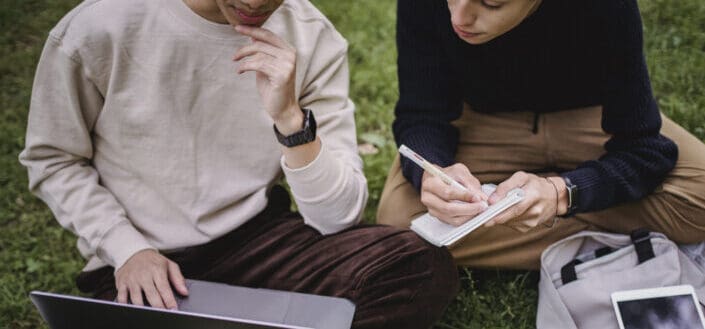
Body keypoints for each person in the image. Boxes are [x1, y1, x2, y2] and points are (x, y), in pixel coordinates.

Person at [19, 0, 459, 327]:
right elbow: (54, 159)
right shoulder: (99, 30)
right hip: (144, 260)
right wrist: (126, 249)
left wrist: (291, 121)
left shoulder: (312, 37)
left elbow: (337, 216)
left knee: (417, 265)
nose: (253, 2)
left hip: (261, 241)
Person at [377, 0, 705, 269]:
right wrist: (432, 172)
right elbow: (422, 114)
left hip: (591, 118)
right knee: (396, 224)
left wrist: (562, 192)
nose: (459, 16)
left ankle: (537, 210)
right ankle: (630, 236)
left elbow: (644, 148)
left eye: (491, 3)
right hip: (482, 123)